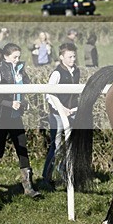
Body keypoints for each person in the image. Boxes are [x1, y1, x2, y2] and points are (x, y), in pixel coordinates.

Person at [0, 43, 41, 197]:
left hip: (16, 117)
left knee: (22, 149)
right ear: (6, 57)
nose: (17, 60)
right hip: (2, 118)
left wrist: (23, 102)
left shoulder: (20, 71)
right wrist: (10, 103)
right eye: (14, 57)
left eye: (19, 57)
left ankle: (28, 187)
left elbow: (27, 89)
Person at [41, 43, 80, 190]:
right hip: (57, 114)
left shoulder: (77, 71)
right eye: (69, 57)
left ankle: (66, 174)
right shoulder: (57, 73)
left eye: (74, 56)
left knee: (71, 145)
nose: (72, 59)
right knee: (56, 147)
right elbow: (49, 94)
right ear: (61, 57)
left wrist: (74, 109)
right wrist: (62, 108)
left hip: (72, 113)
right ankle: (47, 177)